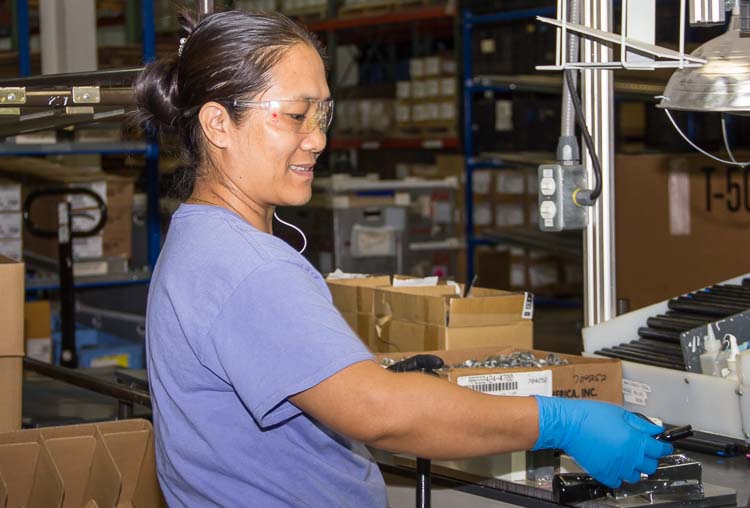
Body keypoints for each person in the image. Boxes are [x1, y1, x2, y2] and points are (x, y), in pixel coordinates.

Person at [137, 9, 672, 507]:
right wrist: (559, 421)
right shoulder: (249, 268)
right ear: (218, 124)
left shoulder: (197, 237)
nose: (318, 138)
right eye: (295, 115)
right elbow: (378, 411)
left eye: (322, 113)